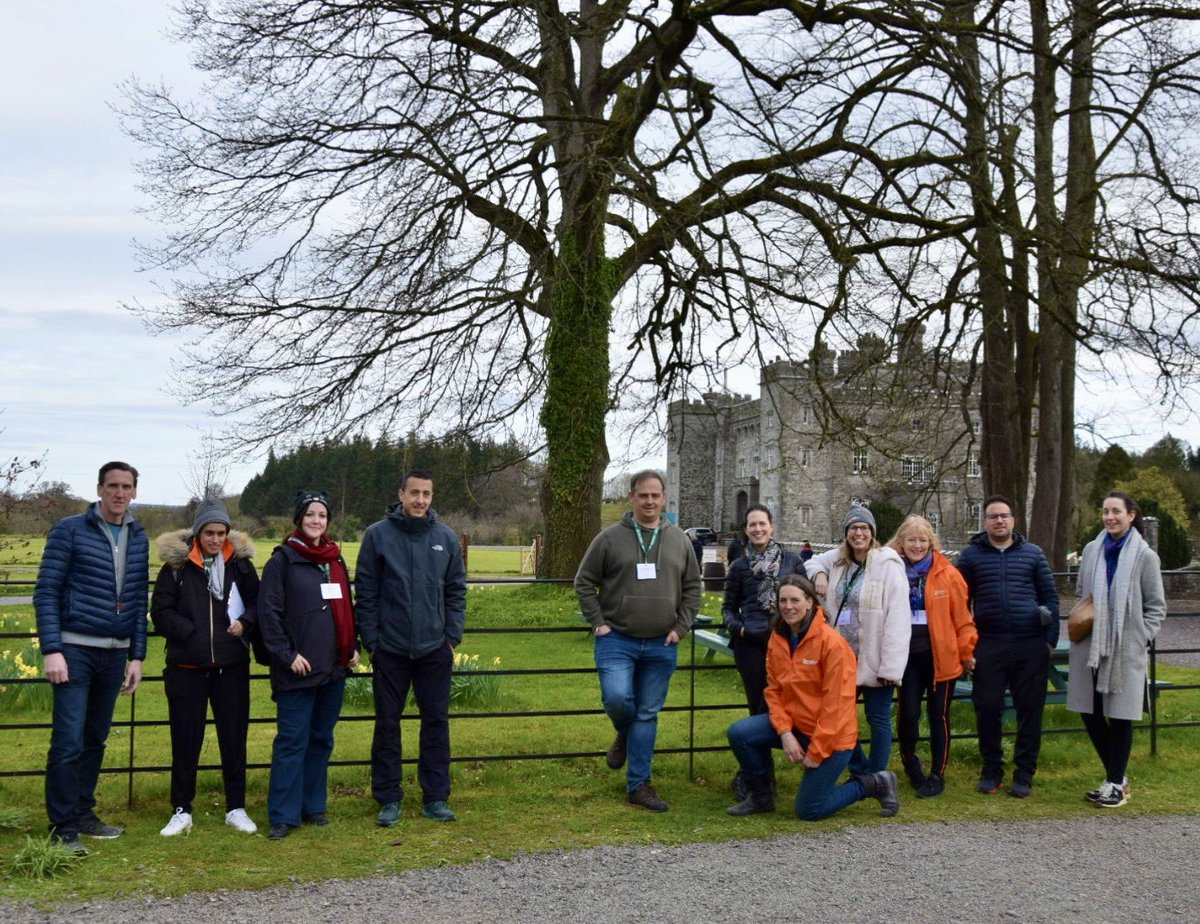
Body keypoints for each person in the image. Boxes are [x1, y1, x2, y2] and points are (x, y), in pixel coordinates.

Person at [34, 461, 149, 855]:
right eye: (113, 486)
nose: (119, 493)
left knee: (95, 739)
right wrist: (52, 649)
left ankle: (83, 813)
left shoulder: (138, 535)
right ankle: (62, 828)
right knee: (67, 741)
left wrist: (137, 655)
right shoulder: (69, 530)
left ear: (135, 491)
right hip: (74, 650)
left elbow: (137, 600)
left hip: (115, 654)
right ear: (99, 488)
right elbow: (46, 591)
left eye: (127, 486)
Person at [575, 470, 702, 812]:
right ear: (631, 498)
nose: (649, 501)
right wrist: (598, 623)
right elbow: (584, 582)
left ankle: (638, 785)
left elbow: (693, 588)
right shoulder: (609, 538)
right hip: (617, 640)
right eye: (643, 495)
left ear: (664, 499)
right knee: (617, 698)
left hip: (663, 643)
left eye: (655, 496)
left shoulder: (679, 541)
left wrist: (681, 627)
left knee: (647, 713)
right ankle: (626, 733)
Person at [725, 574, 899, 819]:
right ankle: (761, 797)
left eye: (795, 600)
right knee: (739, 733)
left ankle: (873, 783)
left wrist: (817, 751)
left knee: (809, 810)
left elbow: (837, 706)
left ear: (810, 602)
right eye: (783, 600)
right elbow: (773, 690)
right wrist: (785, 732)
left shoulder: (832, 644)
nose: (788, 607)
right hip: (796, 726)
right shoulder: (778, 636)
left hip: (831, 737)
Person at [356, 469, 466, 826]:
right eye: (414, 493)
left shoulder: (445, 538)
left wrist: (452, 637)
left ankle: (435, 797)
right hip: (391, 647)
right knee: (387, 724)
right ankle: (388, 798)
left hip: (434, 648)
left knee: (436, 723)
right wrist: (373, 640)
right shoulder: (377, 536)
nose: (421, 500)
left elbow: (455, 591)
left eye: (427, 494)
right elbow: (367, 592)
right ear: (401, 494)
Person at [150, 496, 261, 836]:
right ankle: (181, 809)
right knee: (185, 739)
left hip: (231, 666)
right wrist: (191, 632)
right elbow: (161, 612)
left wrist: (245, 622)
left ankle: (236, 807)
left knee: (233, 738)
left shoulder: (241, 566)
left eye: (221, 532)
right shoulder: (177, 569)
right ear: (198, 533)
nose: (215, 539)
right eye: (209, 532)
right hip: (187, 667)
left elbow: (260, 605)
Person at [258, 491, 359, 839]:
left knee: (321, 739)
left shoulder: (334, 561)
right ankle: (283, 815)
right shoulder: (283, 560)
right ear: (299, 518)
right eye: (311, 514)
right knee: (292, 740)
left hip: (333, 667)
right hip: (297, 668)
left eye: (322, 515)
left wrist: (353, 646)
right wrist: (286, 655)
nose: (316, 520)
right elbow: (268, 613)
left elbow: (347, 606)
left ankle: (313, 805)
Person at [956, 494, 1059, 798]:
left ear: (1013, 520)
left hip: (1030, 643)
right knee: (987, 706)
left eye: (1004, 515)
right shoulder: (971, 557)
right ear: (985, 521)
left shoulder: (1033, 554)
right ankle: (992, 770)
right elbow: (959, 602)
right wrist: (966, 646)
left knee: (1030, 710)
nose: (999, 521)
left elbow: (1050, 598)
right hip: (989, 643)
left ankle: (1024, 774)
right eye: (993, 516)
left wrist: (1050, 639)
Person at [1068, 492, 1166, 808]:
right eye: (1105, 511)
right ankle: (1118, 778)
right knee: (1090, 711)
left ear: (1131, 515)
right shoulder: (1092, 550)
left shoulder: (1145, 557)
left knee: (1121, 716)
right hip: (1091, 644)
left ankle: (1113, 783)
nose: (1110, 517)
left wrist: (1141, 637)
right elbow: (1083, 593)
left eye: (1116, 511)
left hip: (1125, 647)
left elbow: (1156, 607)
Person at [806, 505, 910, 775]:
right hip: (842, 659)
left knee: (878, 720)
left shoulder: (888, 564)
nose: (858, 533)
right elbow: (811, 561)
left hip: (875, 659)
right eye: (853, 528)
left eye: (864, 528)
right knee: (838, 718)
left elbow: (898, 618)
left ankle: (878, 776)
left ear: (872, 532)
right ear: (846, 533)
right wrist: (818, 575)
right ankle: (860, 772)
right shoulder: (839, 559)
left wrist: (891, 668)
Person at [886, 515, 976, 797]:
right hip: (907, 658)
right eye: (911, 540)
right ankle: (911, 763)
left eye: (922, 540)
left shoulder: (948, 574)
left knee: (939, 716)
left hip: (941, 657)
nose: (916, 545)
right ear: (901, 542)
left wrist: (967, 652)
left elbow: (963, 619)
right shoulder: (893, 571)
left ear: (931, 543)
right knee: (908, 715)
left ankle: (938, 773)